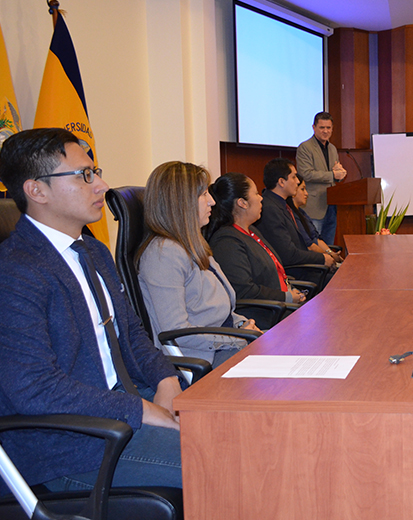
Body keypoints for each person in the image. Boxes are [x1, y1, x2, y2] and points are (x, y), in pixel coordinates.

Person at [0, 128, 183, 492]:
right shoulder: (15, 272)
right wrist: (140, 411)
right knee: (228, 458)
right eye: (85, 176)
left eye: (95, 171)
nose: (101, 185)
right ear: (37, 190)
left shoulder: (92, 250)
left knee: (237, 431)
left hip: (122, 407)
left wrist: (166, 379)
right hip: (69, 445)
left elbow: (130, 331)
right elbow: (34, 389)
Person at [137, 162, 261, 367]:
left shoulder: (193, 244)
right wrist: (238, 338)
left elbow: (218, 309)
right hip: (204, 359)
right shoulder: (163, 254)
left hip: (224, 344)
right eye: (204, 194)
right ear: (181, 202)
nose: (212, 201)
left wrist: (241, 324)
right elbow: (176, 333)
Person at [206, 172, 307, 329]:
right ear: (242, 203)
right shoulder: (227, 241)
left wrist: (290, 291)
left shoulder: (251, 231)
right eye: (256, 193)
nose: (261, 198)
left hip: (280, 307)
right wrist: (286, 296)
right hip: (264, 315)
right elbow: (244, 290)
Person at [255, 158, 335, 282]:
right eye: (293, 177)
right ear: (281, 182)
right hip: (295, 275)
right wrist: (322, 258)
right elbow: (288, 254)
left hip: (305, 269)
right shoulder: (270, 209)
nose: (297, 181)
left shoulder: (281, 205)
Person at [296, 112, 347, 245]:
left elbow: (334, 175)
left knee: (328, 245)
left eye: (328, 128)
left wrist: (340, 175)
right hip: (314, 206)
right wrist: (333, 175)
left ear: (332, 129)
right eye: (322, 127)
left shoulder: (332, 149)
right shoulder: (305, 148)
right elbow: (306, 174)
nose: (325, 131)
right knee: (315, 244)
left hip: (331, 205)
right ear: (314, 127)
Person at [289, 173, 343, 265]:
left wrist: (331, 253)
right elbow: (310, 246)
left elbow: (316, 238)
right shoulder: (292, 216)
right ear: (293, 192)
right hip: (311, 262)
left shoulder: (302, 213)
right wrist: (330, 256)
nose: (306, 193)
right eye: (302, 189)